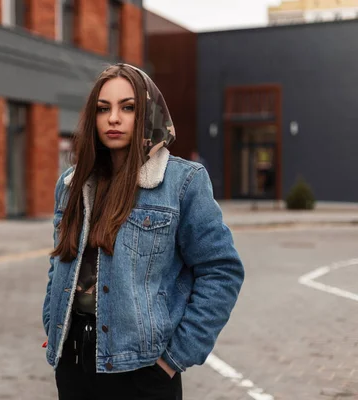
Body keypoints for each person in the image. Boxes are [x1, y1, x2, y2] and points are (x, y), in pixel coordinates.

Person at [42, 63, 244, 400]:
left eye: (128, 107)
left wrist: (175, 357)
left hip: (144, 371)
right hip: (74, 361)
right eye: (103, 109)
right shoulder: (72, 184)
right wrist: (54, 320)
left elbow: (221, 271)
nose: (114, 118)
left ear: (148, 114)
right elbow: (59, 260)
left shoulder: (182, 182)